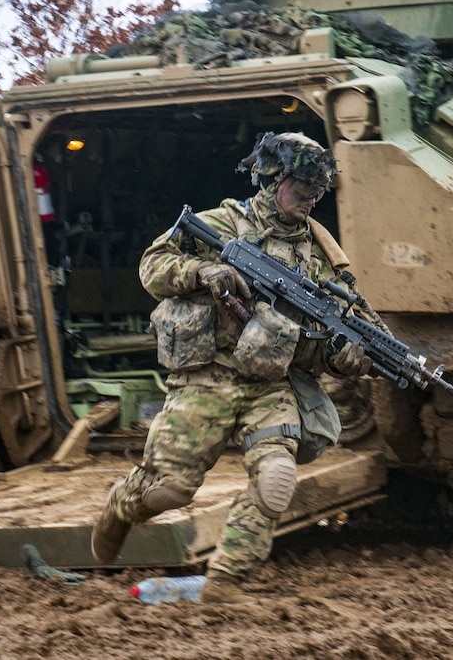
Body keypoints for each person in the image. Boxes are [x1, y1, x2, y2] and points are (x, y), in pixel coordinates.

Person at [91, 132, 373, 603]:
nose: (311, 196)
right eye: (301, 184)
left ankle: (225, 582)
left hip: (272, 385)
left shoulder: (323, 260)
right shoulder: (219, 224)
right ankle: (122, 506)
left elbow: (328, 339)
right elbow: (152, 265)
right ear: (272, 178)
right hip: (208, 377)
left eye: (317, 189)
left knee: (276, 479)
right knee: (169, 491)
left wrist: (344, 357)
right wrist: (200, 273)